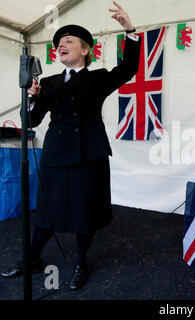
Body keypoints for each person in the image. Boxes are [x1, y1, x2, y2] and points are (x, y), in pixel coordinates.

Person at [0, 1, 141, 291]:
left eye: (68, 41)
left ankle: (80, 262)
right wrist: (31, 98)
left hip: (90, 155)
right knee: (47, 212)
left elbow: (128, 68)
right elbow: (32, 122)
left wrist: (130, 30)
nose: (60, 45)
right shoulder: (48, 83)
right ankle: (32, 259)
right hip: (55, 155)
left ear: (85, 49)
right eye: (58, 43)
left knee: (84, 212)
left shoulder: (99, 78)